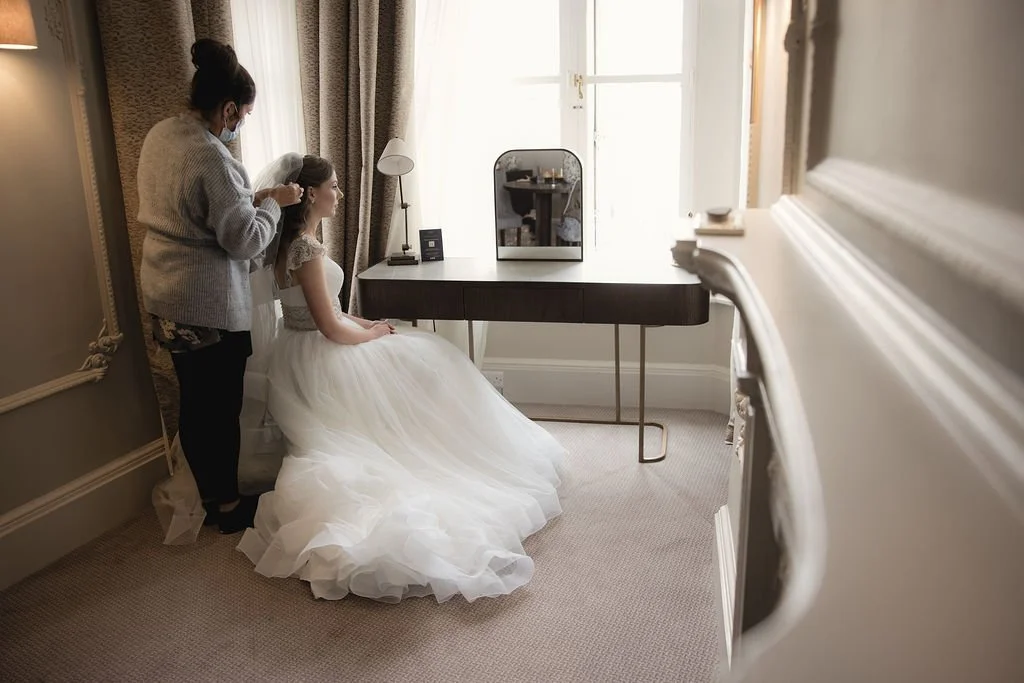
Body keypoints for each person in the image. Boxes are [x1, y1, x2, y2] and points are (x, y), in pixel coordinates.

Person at [237, 154, 565, 603]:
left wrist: (367, 321)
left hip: (300, 347)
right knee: (433, 359)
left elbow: (326, 310)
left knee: (424, 354)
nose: (340, 193)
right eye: (334, 185)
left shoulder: (291, 243)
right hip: (321, 353)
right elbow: (329, 327)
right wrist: (370, 333)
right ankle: (443, 449)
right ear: (311, 193)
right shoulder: (305, 248)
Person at [136, 39, 303, 535]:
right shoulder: (213, 156)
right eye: (244, 114)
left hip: (164, 293)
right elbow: (244, 239)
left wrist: (256, 197)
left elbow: (194, 209)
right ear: (229, 107)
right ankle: (227, 506)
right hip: (204, 303)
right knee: (220, 405)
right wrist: (275, 203)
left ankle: (211, 494)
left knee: (193, 399)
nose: (241, 124)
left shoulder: (162, 134)